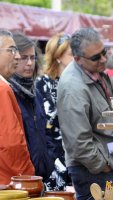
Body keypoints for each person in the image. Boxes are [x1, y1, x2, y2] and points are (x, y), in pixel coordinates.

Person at [57, 28, 113, 200]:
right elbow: (78, 142)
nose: (103, 59)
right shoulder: (73, 87)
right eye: (96, 57)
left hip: (102, 165)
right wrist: (103, 165)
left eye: (104, 52)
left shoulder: (94, 71)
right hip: (91, 171)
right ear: (78, 59)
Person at [9, 32, 55, 184]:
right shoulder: (8, 92)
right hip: (19, 179)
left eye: (32, 57)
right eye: (24, 58)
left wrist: (49, 158)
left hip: (41, 176)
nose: (29, 63)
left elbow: (45, 130)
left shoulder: (36, 93)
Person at [35, 33, 73, 190]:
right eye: (71, 54)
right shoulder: (42, 84)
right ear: (58, 57)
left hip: (76, 155)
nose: (76, 58)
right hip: (53, 158)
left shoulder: (75, 82)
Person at [0, 29, 35, 184]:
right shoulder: (2, 89)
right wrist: (28, 178)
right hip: (9, 184)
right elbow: (11, 145)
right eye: (12, 50)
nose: (18, 56)